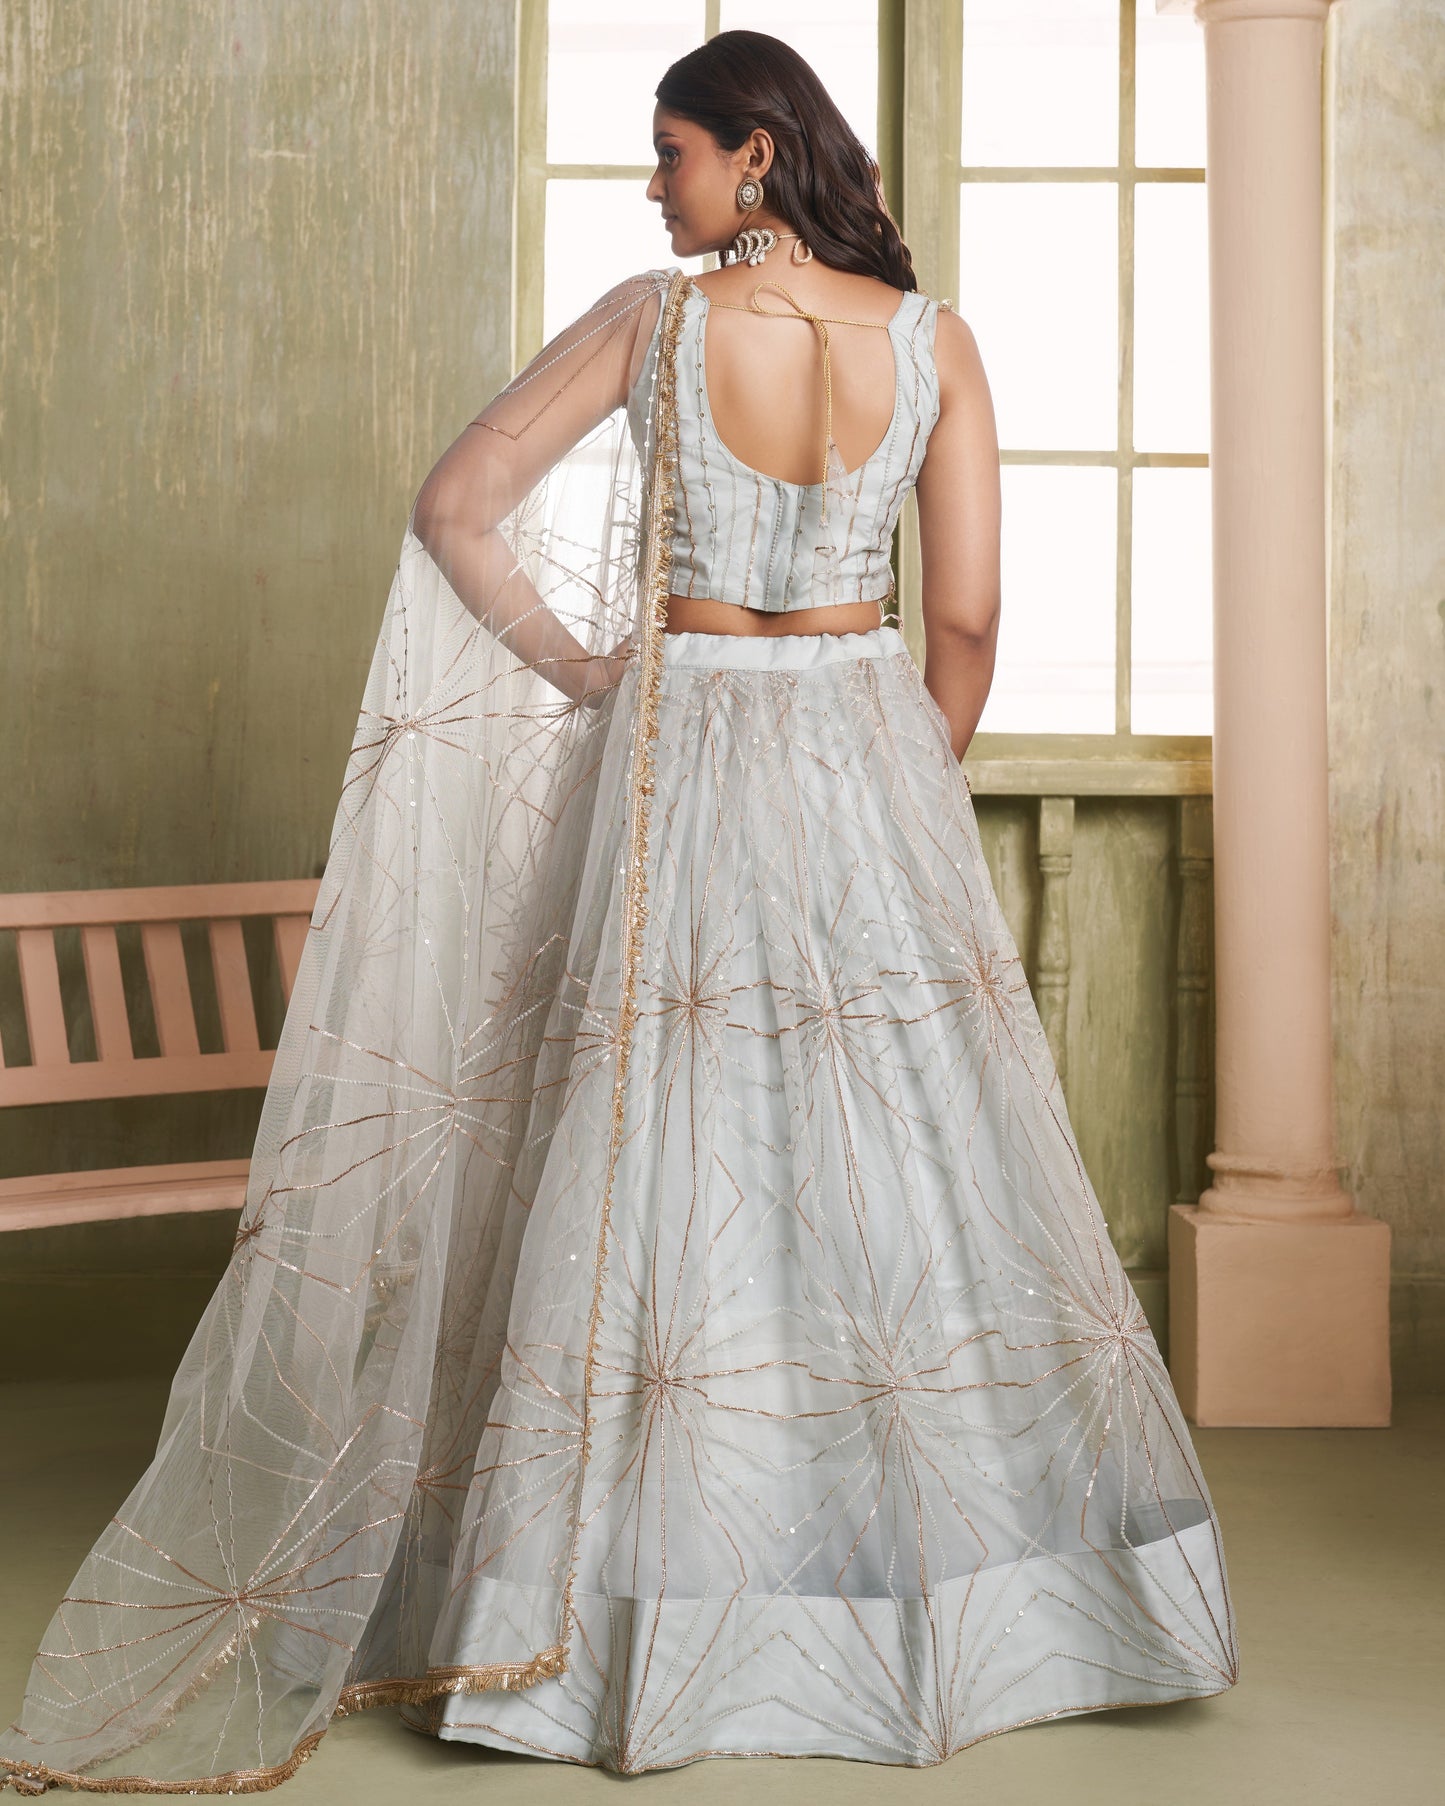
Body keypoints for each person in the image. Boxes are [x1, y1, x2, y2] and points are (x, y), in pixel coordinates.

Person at [0, 30, 1237, 1794]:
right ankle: (951, 1606)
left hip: (683, 744)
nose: (652, 189)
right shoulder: (931, 338)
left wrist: (593, 669)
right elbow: (961, 624)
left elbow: (455, 508)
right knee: (891, 1167)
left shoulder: (660, 319)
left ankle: (606, 1609)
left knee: (644, 1146)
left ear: (751, 155)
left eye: (667, 153)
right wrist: (890, 776)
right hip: (864, 745)